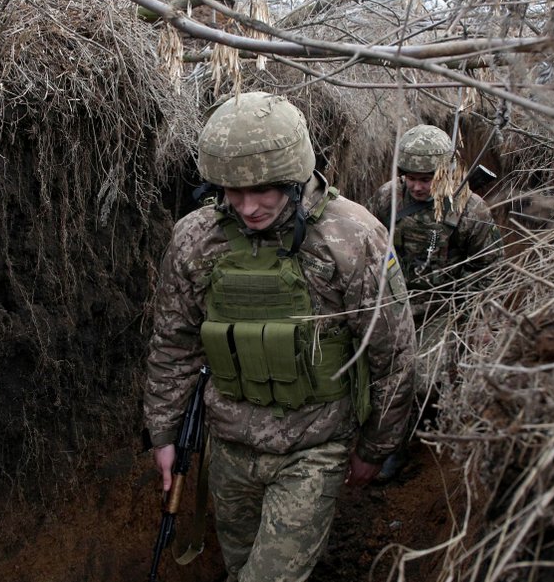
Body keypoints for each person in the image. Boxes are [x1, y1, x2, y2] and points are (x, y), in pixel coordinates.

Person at [143, 91, 416, 582]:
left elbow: (392, 354)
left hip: (315, 447)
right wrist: (163, 432)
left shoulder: (352, 237)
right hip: (227, 446)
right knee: (238, 565)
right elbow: (174, 342)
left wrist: (375, 447)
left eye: (262, 190)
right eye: (231, 190)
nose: (247, 207)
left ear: (294, 175)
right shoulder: (195, 238)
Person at [367, 124, 504, 481]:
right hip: (394, 300)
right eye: (411, 177)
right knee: (376, 369)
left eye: (426, 178)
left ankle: (404, 444)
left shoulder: (471, 210)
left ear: (444, 173)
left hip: (442, 308)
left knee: (419, 378)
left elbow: (490, 272)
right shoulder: (387, 198)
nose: (417, 186)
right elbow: (368, 245)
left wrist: (477, 320)